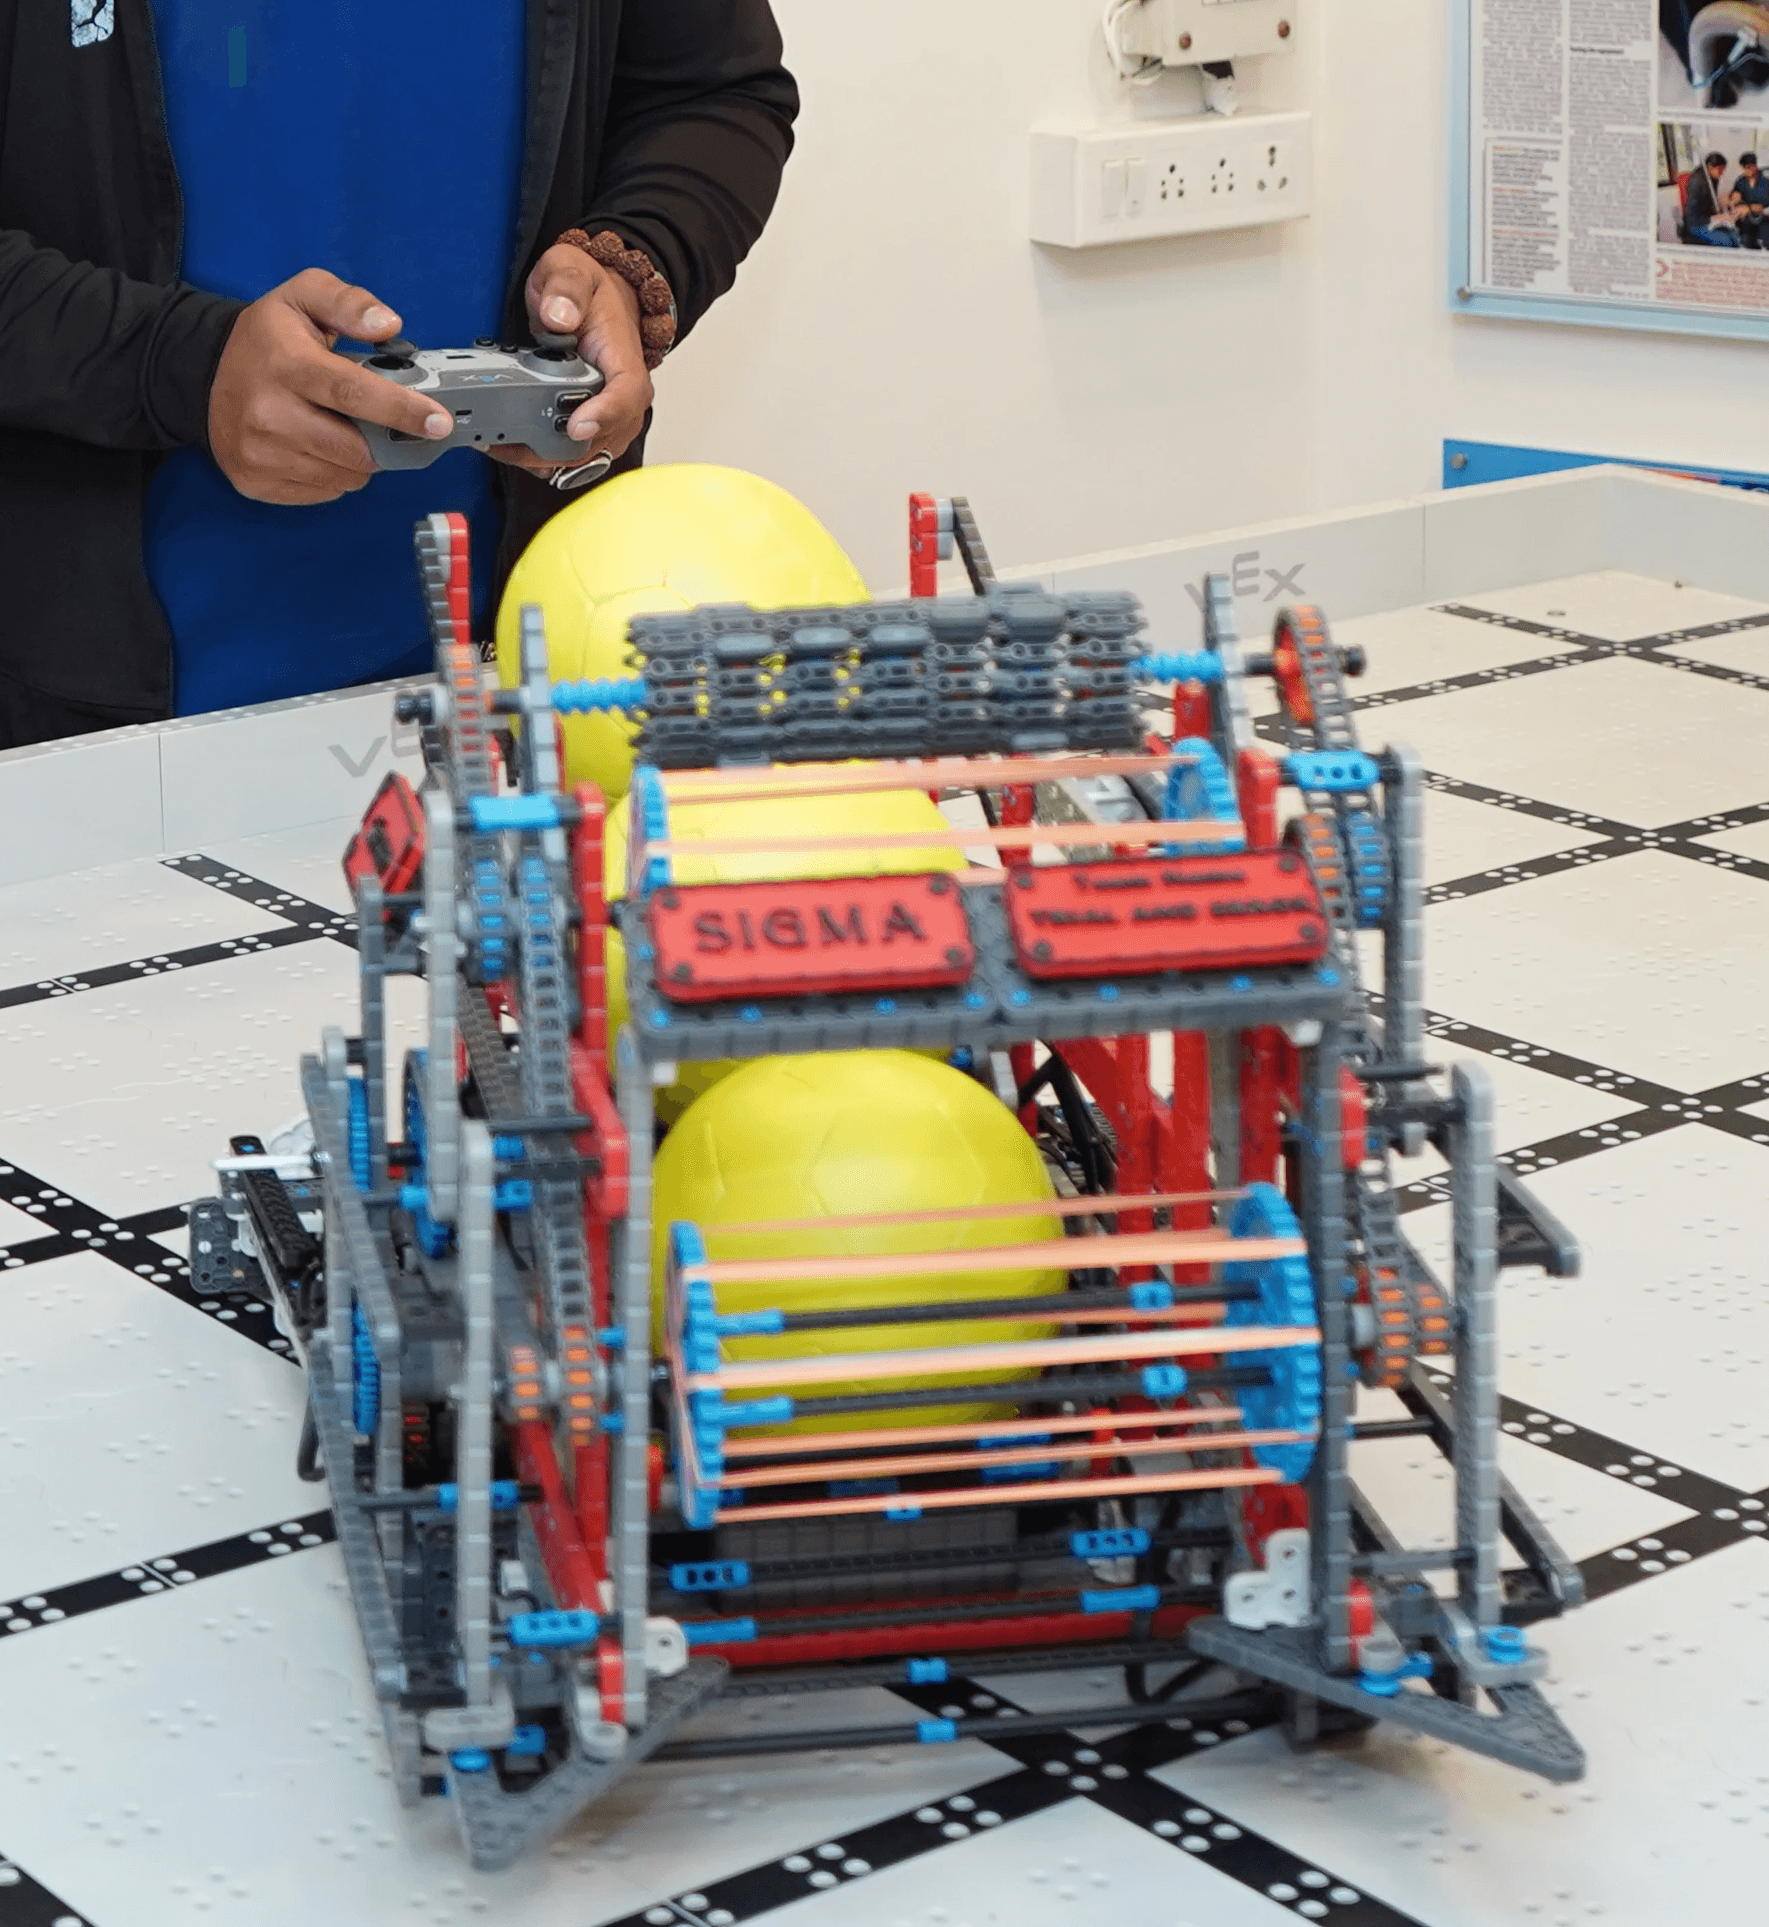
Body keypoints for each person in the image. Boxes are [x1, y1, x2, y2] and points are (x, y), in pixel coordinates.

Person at [0, 3, 797, 750]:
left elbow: (714, 94)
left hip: (530, 687)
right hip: (77, 705)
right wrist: (178, 363)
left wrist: (631, 260)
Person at [1683, 150, 1741, 246]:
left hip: (1708, 219)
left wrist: (1723, 207)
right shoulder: (1696, 183)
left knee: (1735, 236)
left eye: (1723, 170)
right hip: (1696, 224)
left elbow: (1709, 202)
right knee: (1726, 241)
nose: (1722, 173)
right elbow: (1693, 216)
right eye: (1720, 170)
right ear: (1710, 167)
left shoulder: (1712, 179)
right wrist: (1716, 218)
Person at [1730, 150, 1769, 246]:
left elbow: (1763, 206)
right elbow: (1735, 200)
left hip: (1764, 222)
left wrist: (1750, 208)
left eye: (1747, 168)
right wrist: (1734, 200)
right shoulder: (1740, 181)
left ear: (1754, 166)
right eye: (1743, 168)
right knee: (1744, 241)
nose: (1744, 171)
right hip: (1746, 223)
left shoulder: (1766, 181)